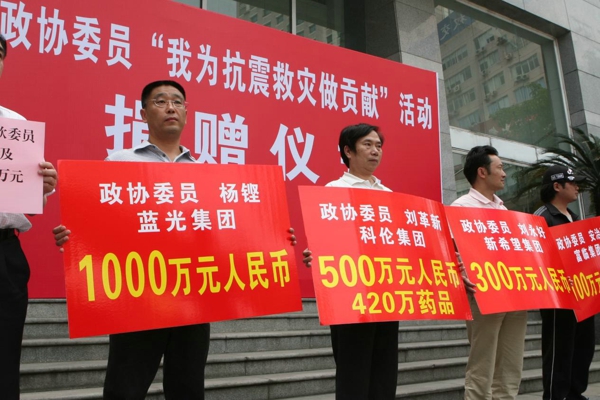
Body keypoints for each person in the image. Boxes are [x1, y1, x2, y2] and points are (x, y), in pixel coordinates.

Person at [53, 80, 296, 399]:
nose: (171, 107)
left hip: (193, 299)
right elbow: (97, 225)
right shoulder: (119, 162)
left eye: (177, 102)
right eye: (160, 101)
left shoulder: (207, 173)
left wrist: (275, 238)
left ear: (186, 112)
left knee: (188, 387)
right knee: (125, 388)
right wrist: (74, 237)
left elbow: (224, 234)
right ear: (143, 114)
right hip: (138, 297)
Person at [302, 123, 399, 400]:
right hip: (349, 297)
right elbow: (325, 242)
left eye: (378, 145)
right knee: (353, 373)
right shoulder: (333, 190)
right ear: (348, 150)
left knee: (385, 372)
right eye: (367, 144)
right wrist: (316, 254)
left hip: (387, 294)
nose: (375, 151)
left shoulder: (389, 195)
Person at [0, 33, 58, 399]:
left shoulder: (16, 125)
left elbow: (27, 202)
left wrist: (43, 185)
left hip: (5, 253)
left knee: (5, 358)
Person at [451, 145, 527, 400]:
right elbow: (450, 251)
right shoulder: (461, 206)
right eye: (500, 168)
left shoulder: (503, 209)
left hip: (514, 293)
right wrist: (460, 272)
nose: (504, 173)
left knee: (511, 361)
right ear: (482, 172)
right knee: (482, 363)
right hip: (483, 294)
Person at [533, 165, 594, 400]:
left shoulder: (575, 218)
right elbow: (535, 257)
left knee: (584, 346)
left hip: (583, 294)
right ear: (557, 186)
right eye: (573, 182)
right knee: (559, 348)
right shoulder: (542, 217)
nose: (577, 187)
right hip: (558, 297)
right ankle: (554, 396)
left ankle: (574, 393)